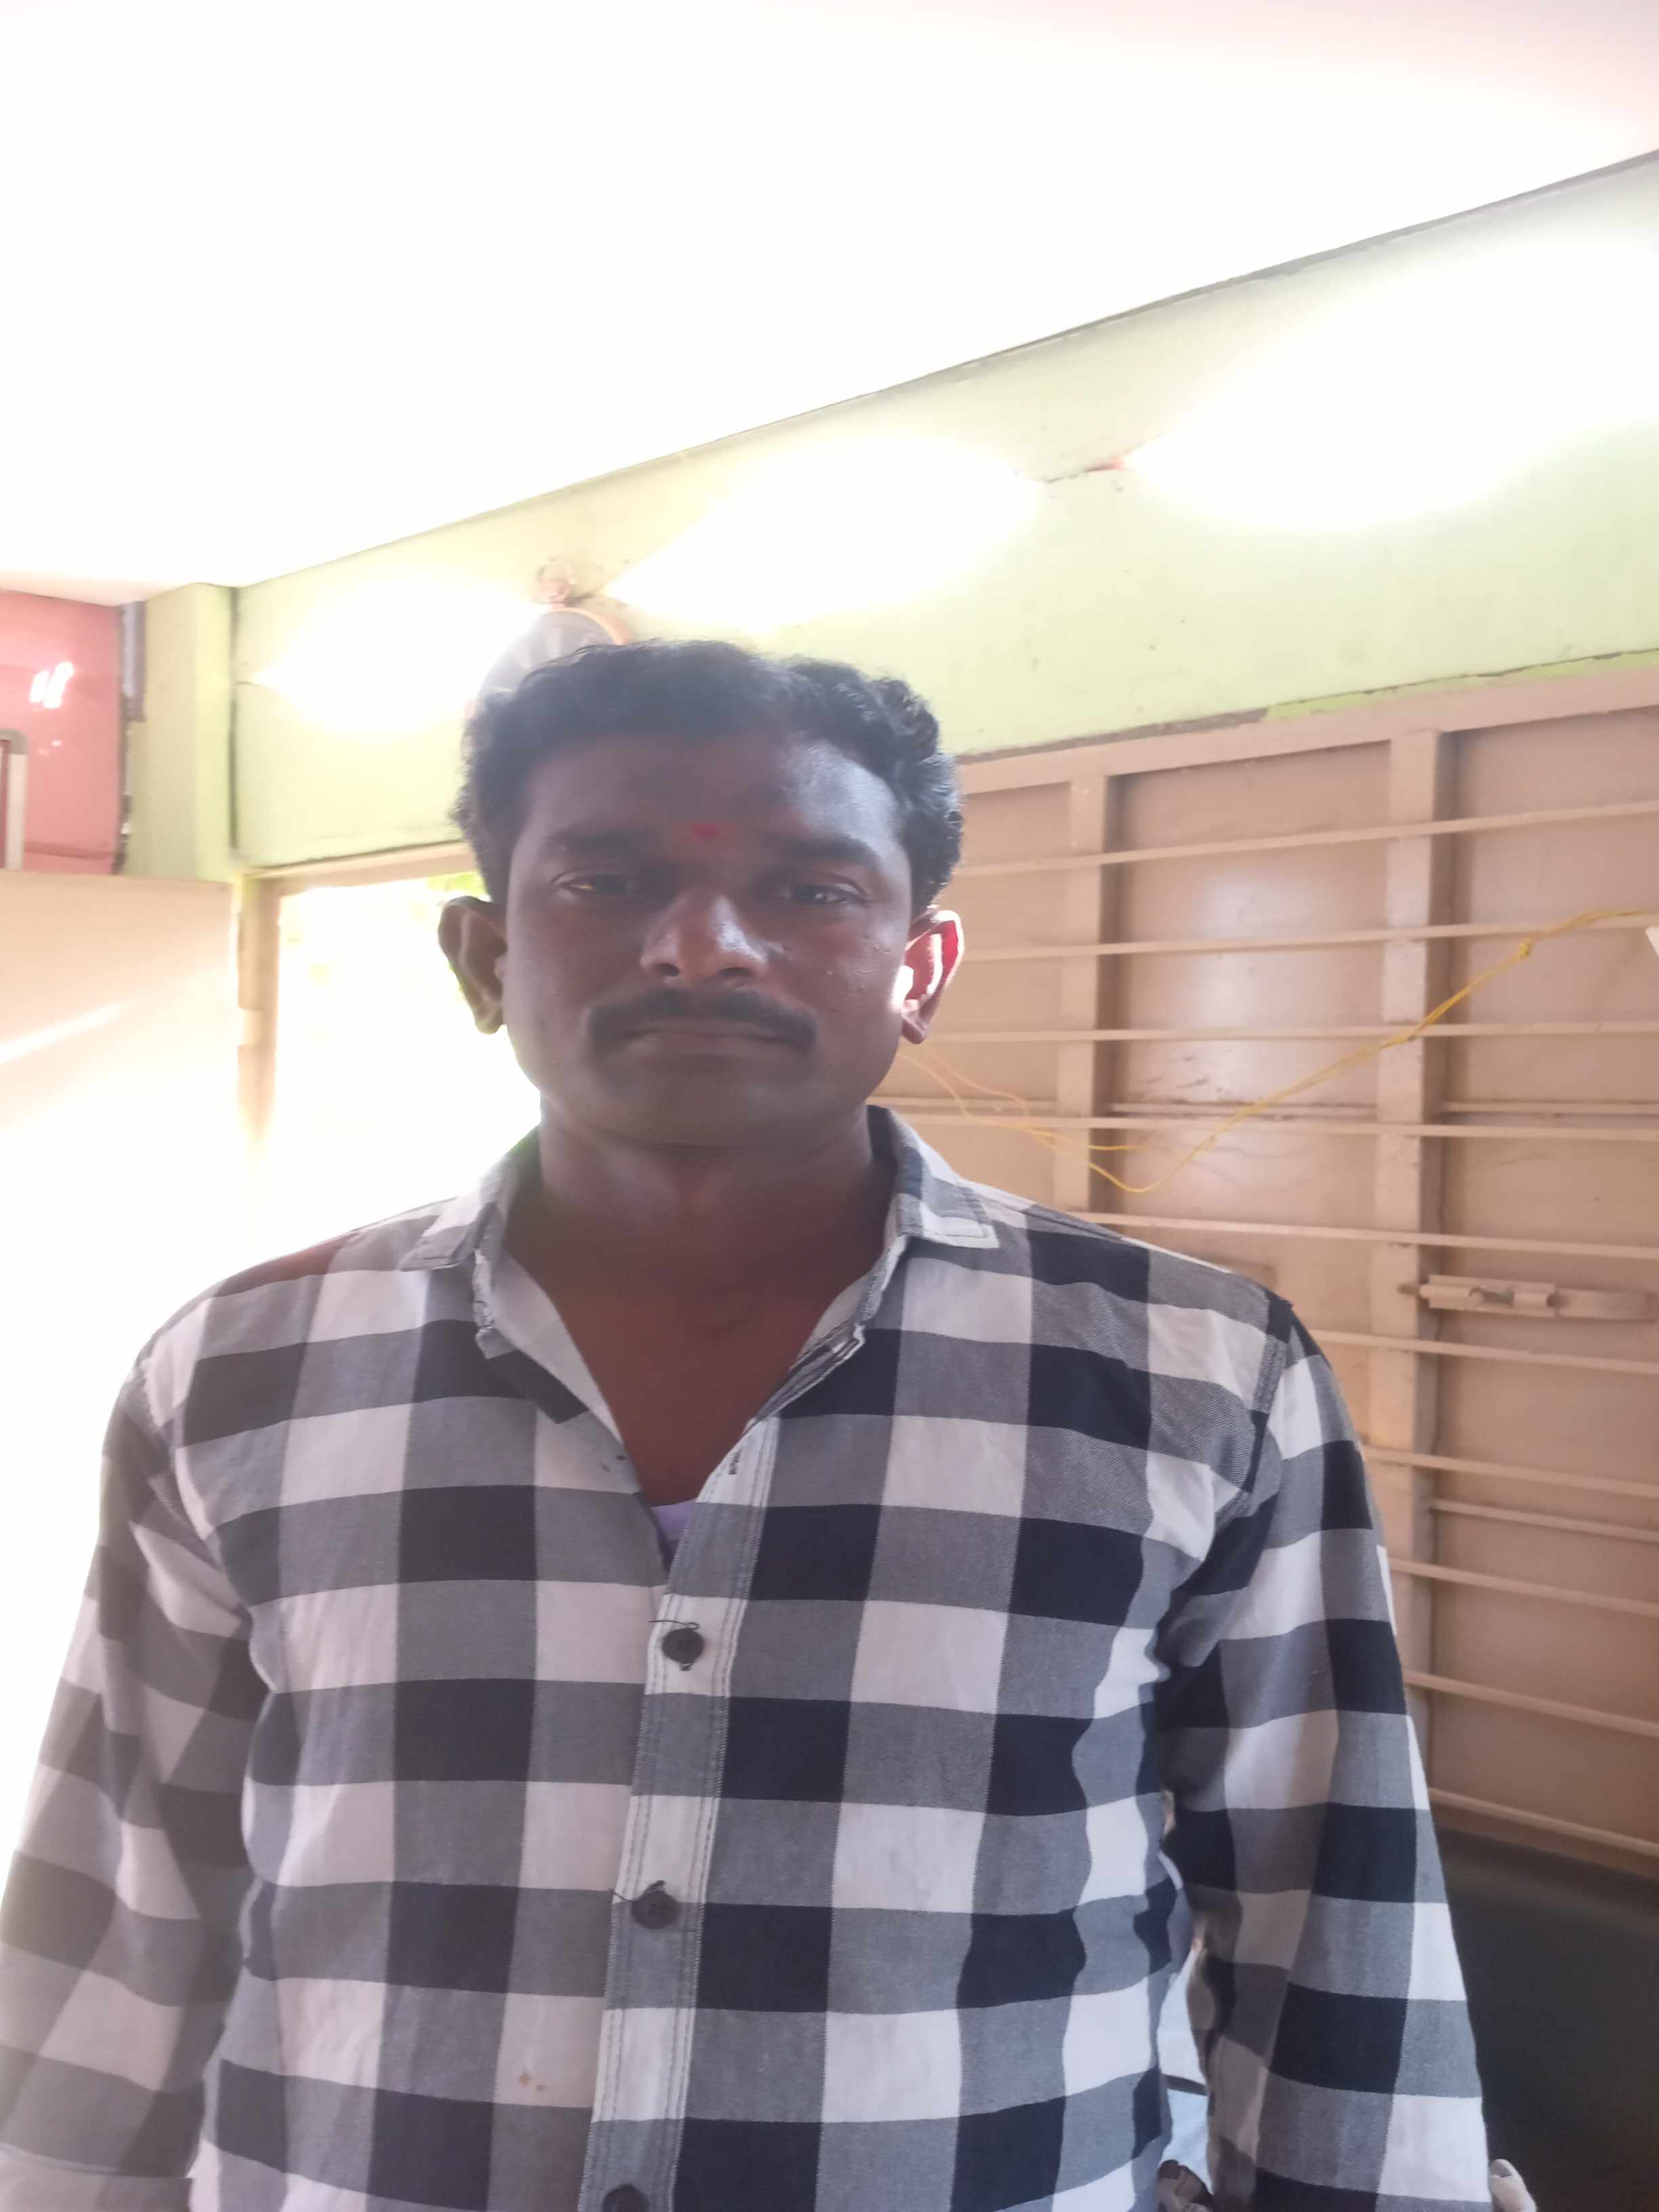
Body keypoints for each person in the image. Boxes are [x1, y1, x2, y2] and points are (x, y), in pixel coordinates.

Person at [0, 641, 1500, 2212]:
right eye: (606, 882)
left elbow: (1340, 1927)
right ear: (485, 958)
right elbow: (119, 1922)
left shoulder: (1197, 1379)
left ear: (920, 971)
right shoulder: (244, 1373)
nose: (701, 947)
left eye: (811, 891)